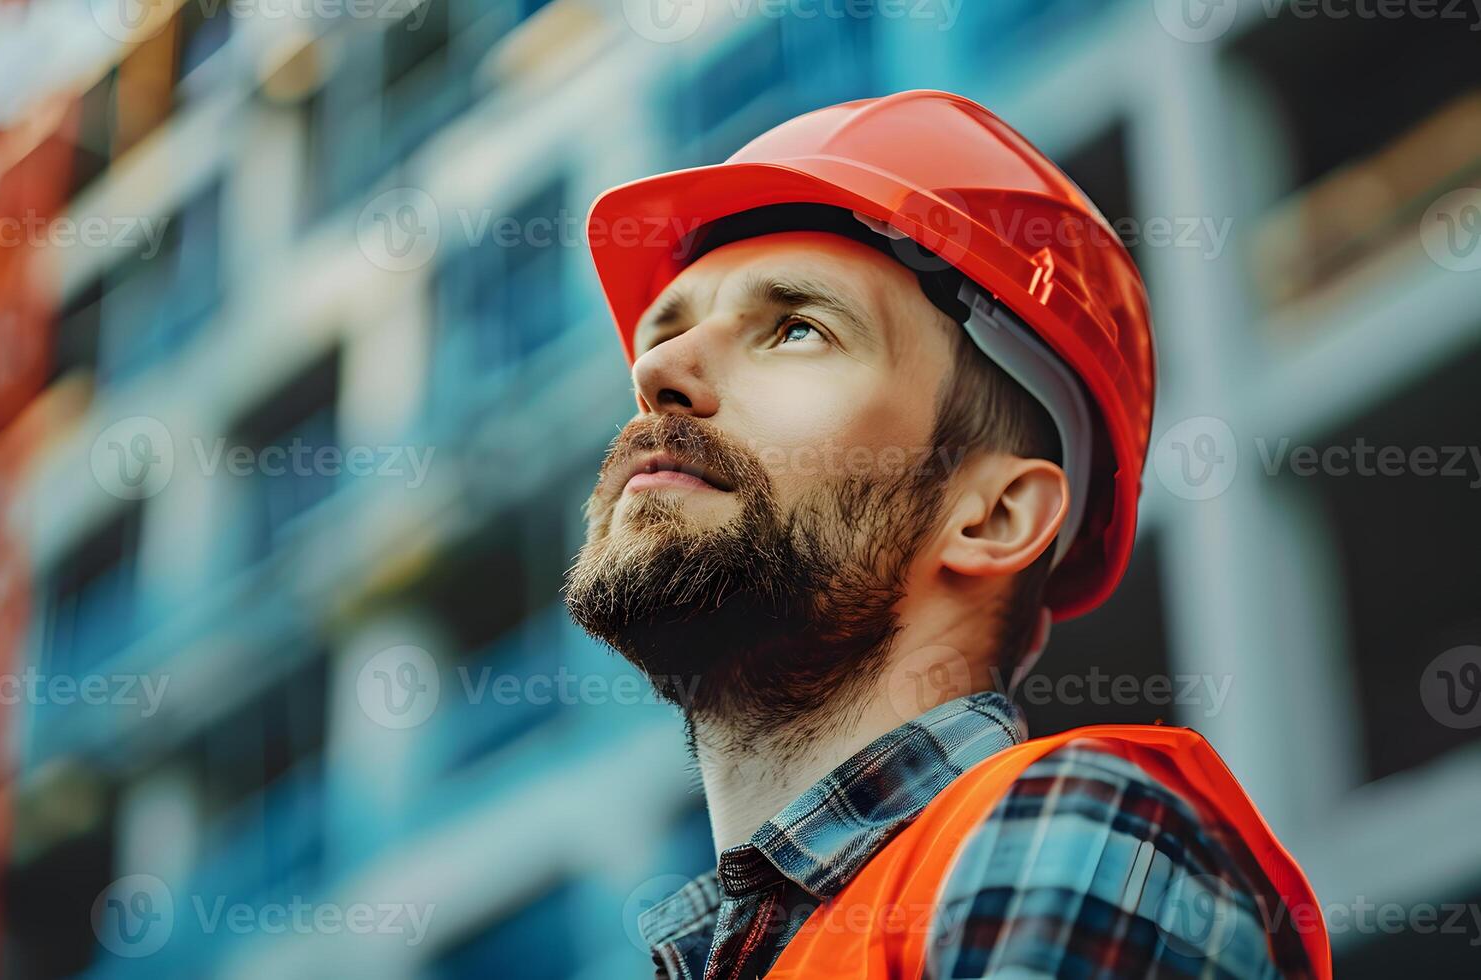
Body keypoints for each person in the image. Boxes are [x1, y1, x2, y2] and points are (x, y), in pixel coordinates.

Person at [563, 90, 1331, 979]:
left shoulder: (1071, 830)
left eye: (796, 329)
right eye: (666, 332)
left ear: (993, 514)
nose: (656, 370)